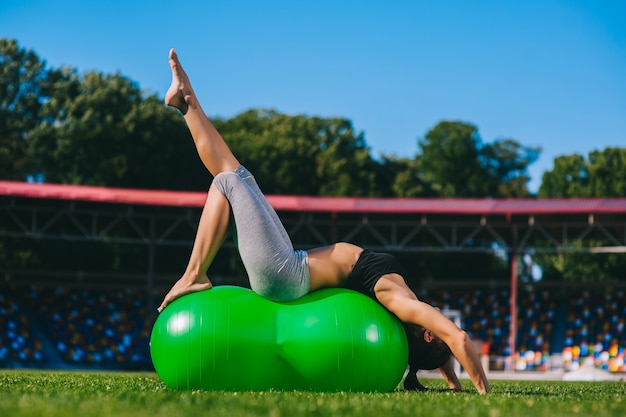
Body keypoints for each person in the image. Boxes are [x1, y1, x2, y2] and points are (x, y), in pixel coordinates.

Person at [157, 48, 490, 394]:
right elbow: (446, 345)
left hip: (285, 273)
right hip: (290, 265)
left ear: (426, 332)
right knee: (238, 176)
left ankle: (194, 273)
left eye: (434, 324)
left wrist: (483, 392)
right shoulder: (404, 299)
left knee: (227, 181)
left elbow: (457, 337)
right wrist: (452, 382)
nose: (437, 313)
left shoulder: (399, 301)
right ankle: (186, 104)